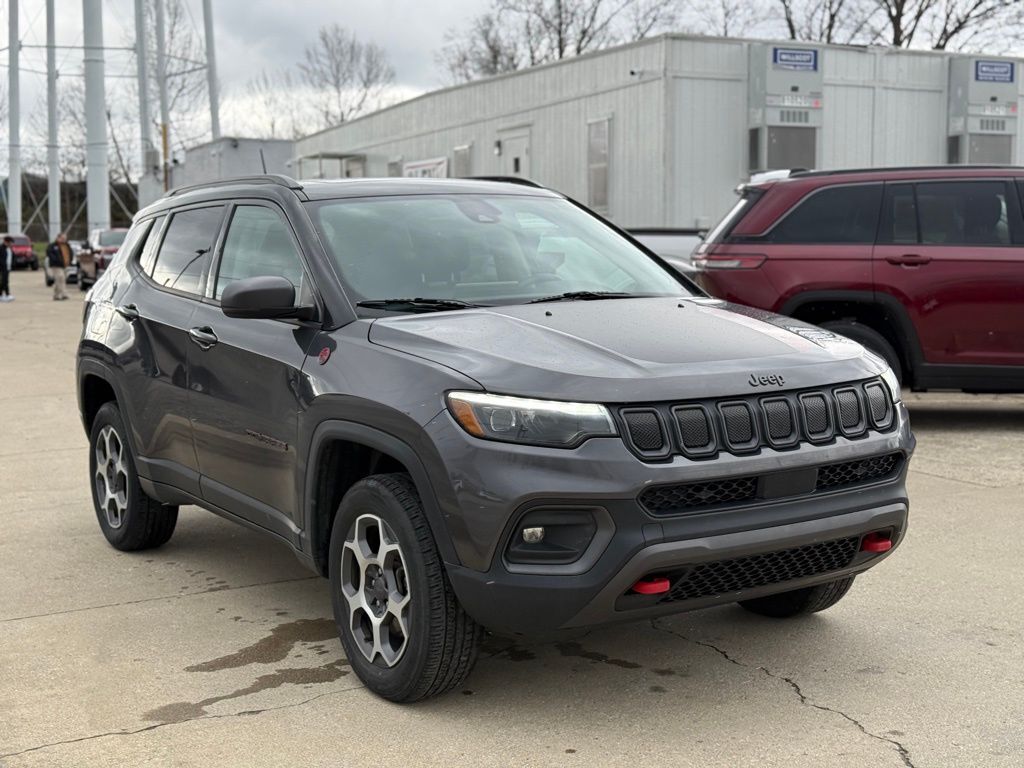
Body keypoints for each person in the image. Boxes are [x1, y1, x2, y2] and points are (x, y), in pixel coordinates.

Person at [47, 233, 73, 301]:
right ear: (58, 238)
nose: (64, 240)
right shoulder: (53, 246)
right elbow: (49, 253)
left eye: (65, 238)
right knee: (61, 277)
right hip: (56, 266)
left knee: (58, 280)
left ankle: (56, 295)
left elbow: (70, 253)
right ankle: (64, 294)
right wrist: (56, 260)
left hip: (65, 265)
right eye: (62, 238)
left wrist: (70, 261)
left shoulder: (67, 245)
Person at [0, 235, 13, 302]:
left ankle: (5, 295)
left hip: (7, 267)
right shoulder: (1, 248)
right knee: (3, 282)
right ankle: (4, 295)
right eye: (10, 242)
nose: (11, 244)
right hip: (2, 268)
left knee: (5, 281)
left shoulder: (8, 248)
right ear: (6, 242)